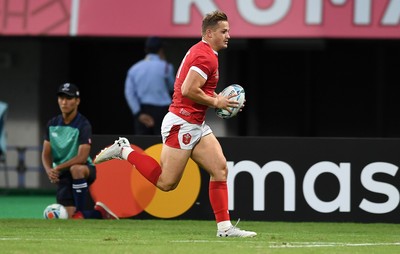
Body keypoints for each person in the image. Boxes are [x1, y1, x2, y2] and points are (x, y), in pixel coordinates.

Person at [94, 11, 256, 237]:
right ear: (209, 33)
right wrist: (216, 101)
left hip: (195, 122)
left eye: (228, 31)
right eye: (224, 31)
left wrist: (223, 100)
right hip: (182, 122)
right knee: (166, 183)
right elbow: (187, 90)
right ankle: (124, 150)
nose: (228, 35)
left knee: (219, 168)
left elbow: (199, 90)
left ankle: (225, 228)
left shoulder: (205, 51)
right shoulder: (205, 56)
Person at [41, 83, 118, 220]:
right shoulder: (52, 124)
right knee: (69, 217)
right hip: (63, 174)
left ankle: (81, 211)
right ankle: (100, 213)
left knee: (76, 169)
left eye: (69, 98)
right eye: (61, 98)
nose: (64, 102)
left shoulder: (83, 124)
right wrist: (48, 170)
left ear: (77, 101)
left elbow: (82, 157)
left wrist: (57, 168)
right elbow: (46, 152)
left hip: (84, 170)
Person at [124, 36, 175, 135]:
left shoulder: (134, 69)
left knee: (142, 144)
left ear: (146, 50)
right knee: (161, 143)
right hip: (163, 110)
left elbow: (129, 93)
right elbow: (172, 88)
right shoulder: (166, 67)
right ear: (161, 50)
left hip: (143, 109)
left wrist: (138, 113)